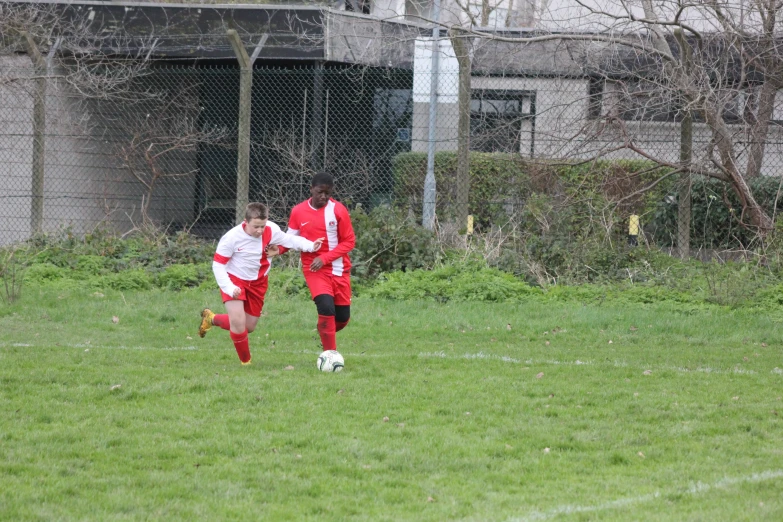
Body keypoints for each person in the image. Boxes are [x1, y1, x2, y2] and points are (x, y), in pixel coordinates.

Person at [198, 202, 324, 365]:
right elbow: (218, 265)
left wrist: (311, 246)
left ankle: (211, 319)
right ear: (245, 221)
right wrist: (229, 287)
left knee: (248, 326)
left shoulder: (271, 230)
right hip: (235, 280)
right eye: (256, 226)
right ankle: (246, 364)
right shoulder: (231, 238)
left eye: (262, 226)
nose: (259, 230)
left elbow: (289, 240)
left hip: (258, 282)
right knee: (237, 321)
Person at [285, 172, 355, 354]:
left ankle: (323, 330)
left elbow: (349, 242)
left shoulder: (338, 210)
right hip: (314, 269)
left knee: (342, 318)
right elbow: (289, 239)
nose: (323, 196)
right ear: (311, 190)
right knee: (325, 307)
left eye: (327, 192)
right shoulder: (298, 211)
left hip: (339, 269)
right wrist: (275, 250)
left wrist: (324, 258)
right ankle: (330, 354)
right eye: (319, 192)